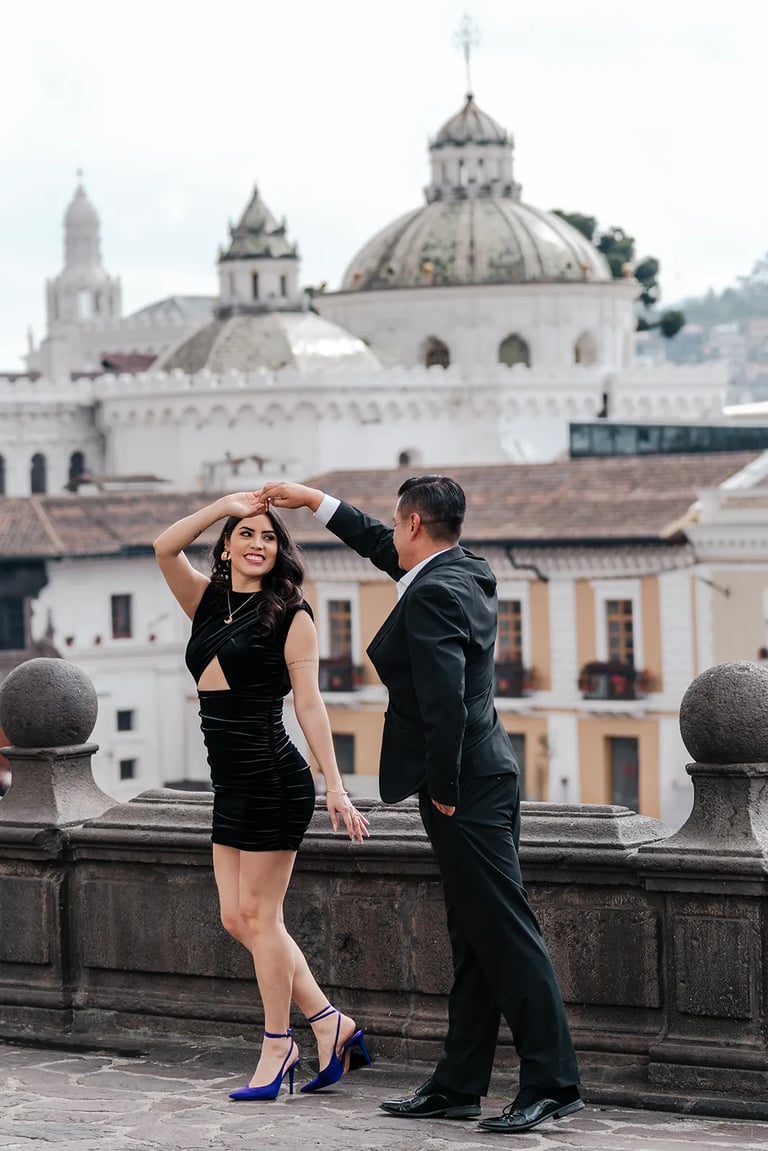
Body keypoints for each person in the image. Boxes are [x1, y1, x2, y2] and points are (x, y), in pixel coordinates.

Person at [257, 476, 583, 1135]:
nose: (389, 535)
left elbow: (445, 703)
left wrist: (444, 790)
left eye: (395, 525)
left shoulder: (433, 592)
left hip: (463, 784)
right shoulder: (463, 567)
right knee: (476, 936)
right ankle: (459, 1083)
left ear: (413, 525)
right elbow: (381, 544)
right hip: (486, 773)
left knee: (506, 933)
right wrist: (312, 500)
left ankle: (552, 1080)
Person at [153, 492, 372, 1102]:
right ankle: (332, 1023)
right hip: (230, 782)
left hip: (273, 778)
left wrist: (335, 783)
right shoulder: (204, 601)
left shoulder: (289, 612)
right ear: (225, 545)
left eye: (269, 537)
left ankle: (279, 1044)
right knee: (236, 917)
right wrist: (223, 504)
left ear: (280, 551)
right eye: (244, 533)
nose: (257, 544)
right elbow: (164, 546)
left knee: (262, 917)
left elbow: (310, 704)